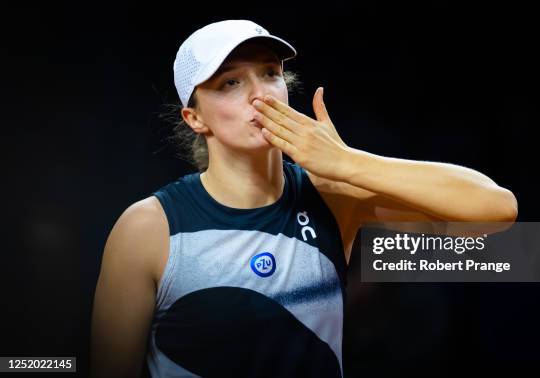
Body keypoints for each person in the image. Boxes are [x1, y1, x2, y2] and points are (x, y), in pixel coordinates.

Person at [90, 19, 518, 378]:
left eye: (270, 73)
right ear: (195, 117)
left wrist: (347, 162)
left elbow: (496, 210)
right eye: (231, 82)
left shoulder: (332, 196)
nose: (261, 94)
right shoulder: (150, 228)